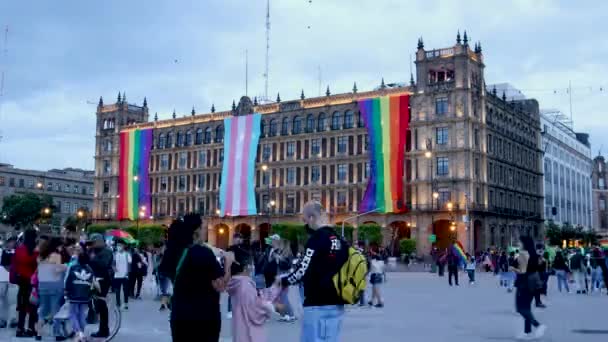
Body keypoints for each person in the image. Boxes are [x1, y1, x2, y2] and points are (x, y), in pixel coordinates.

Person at [280, 201, 347, 342]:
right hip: (337, 303)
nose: (305, 225)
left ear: (311, 218)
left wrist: (284, 281)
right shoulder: (340, 240)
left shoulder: (316, 239)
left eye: (305, 220)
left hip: (317, 304)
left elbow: (303, 269)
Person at [170, 214, 233, 342]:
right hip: (203, 318)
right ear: (196, 231)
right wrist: (228, 264)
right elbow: (221, 285)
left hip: (180, 316)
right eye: (204, 227)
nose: (206, 230)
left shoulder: (174, 252)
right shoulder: (204, 253)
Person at [226, 246, 277, 342]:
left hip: (240, 330)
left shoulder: (236, 282)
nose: (252, 266)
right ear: (246, 267)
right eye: (251, 263)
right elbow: (255, 311)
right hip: (249, 334)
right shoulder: (245, 285)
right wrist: (271, 306)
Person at [512, 236, 546, 340]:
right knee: (527, 308)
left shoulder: (523, 255)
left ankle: (538, 326)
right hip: (533, 284)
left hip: (524, 284)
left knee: (521, 308)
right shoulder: (535, 255)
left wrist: (513, 267)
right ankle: (527, 332)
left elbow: (521, 270)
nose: (518, 244)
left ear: (524, 244)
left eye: (520, 242)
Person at [35, 237, 68, 341]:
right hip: (55, 286)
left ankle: (39, 334)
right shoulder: (56, 255)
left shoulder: (40, 256)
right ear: (56, 245)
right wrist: (65, 266)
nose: (61, 248)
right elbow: (57, 270)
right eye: (60, 245)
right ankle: (57, 334)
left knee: (43, 310)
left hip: (43, 286)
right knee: (56, 311)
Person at [64, 245, 97, 342]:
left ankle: (79, 333)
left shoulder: (73, 267)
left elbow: (68, 281)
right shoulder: (90, 270)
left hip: (73, 295)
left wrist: (66, 291)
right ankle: (81, 333)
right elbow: (92, 282)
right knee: (82, 314)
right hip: (85, 296)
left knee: (72, 314)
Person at [87, 233, 114, 338]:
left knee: (101, 304)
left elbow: (103, 264)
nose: (92, 244)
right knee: (96, 303)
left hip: (103, 280)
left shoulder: (107, 251)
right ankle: (95, 322)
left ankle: (104, 330)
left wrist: (92, 258)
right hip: (93, 279)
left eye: (93, 242)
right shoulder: (93, 251)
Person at [13, 229, 39, 338]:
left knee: (22, 306)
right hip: (33, 281)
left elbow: (15, 264)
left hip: (22, 280)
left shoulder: (19, 250)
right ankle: (31, 328)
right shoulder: (36, 251)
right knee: (33, 305)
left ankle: (20, 328)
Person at [226, 232, 249, 320]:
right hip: (233, 273)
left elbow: (247, 257)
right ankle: (230, 311)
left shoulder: (244, 248)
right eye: (236, 238)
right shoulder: (230, 248)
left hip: (242, 273)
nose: (238, 239)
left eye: (240, 238)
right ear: (233, 239)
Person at [276, 239, 295, 321]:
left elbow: (288, 266)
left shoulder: (289, 254)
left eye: (281, 244)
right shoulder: (282, 252)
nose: (279, 245)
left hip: (285, 276)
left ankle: (290, 314)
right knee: (281, 296)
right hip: (280, 276)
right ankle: (285, 315)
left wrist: (280, 259)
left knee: (284, 296)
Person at [0, 236, 17, 329]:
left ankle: (13, 319)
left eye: (13, 242)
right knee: (1, 301)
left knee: (13, 301)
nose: (12, 244)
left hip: (12, 280)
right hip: (1, 279)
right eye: (10, 242)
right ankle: (1, 319)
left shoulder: (16, 252)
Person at [113, 240, 131, 310]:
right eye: (118, 245)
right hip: (117, 275)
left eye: (120, 245)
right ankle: (118, 303)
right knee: (117, 290)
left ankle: (126, 303)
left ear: (123, 246)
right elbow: (113, 263)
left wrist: (127, 273)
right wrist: (114, 268)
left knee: (125, 290)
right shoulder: (115, 254)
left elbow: (129, 264)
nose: (118, 247)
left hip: (125, 276)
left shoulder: (127, 254)